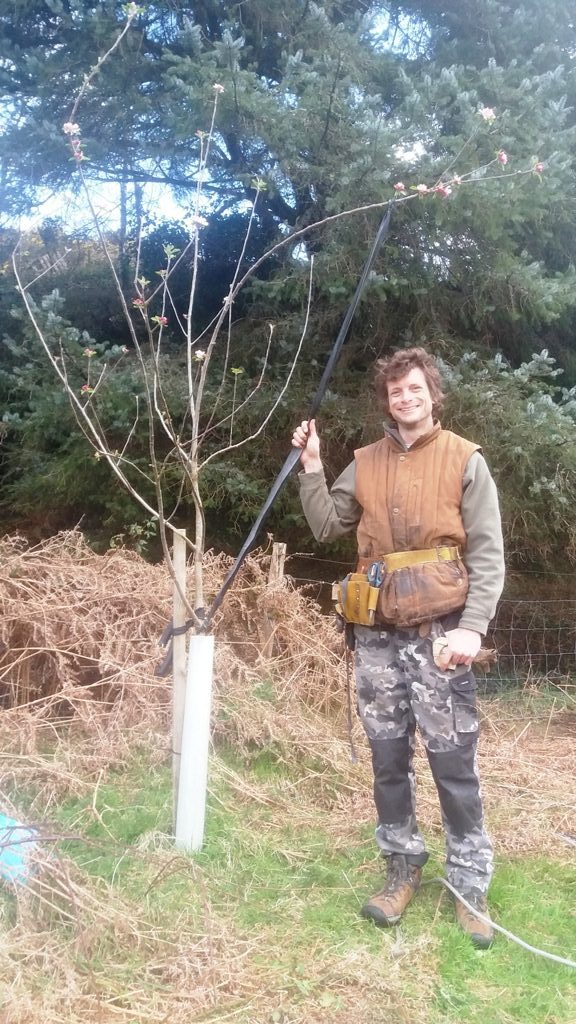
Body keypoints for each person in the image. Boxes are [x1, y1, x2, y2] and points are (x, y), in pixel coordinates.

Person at [291, 347, 504, 948]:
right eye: (394, 392)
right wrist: (311, 463)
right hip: (376, 637)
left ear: (432, 393)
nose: (404, 399)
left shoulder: (465, 459)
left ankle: (468, 882)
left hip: (442, 635)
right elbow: (328, 524)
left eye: (414, 389)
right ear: (387, 400)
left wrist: (474, 628)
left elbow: (488, 553)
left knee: (453, 765)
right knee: (388, 761)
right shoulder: (364, 462)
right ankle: (401, 866)